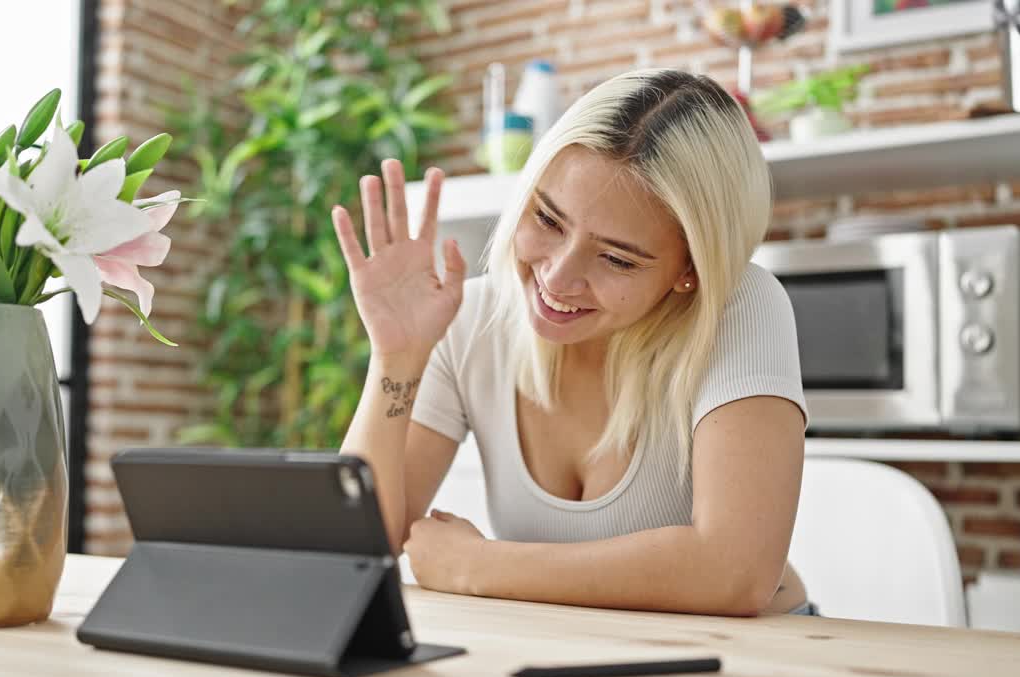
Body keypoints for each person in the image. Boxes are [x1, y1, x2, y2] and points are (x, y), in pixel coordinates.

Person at [332, 68, 812, 617]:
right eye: (547, 218)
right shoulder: (471, 318)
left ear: (690, 272)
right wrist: (396, 356)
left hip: (753, 664)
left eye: (616, 258)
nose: (557, 279)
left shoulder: (739, 306)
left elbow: (735, 573)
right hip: (569, 653)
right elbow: (360, 545)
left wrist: (479, 565)